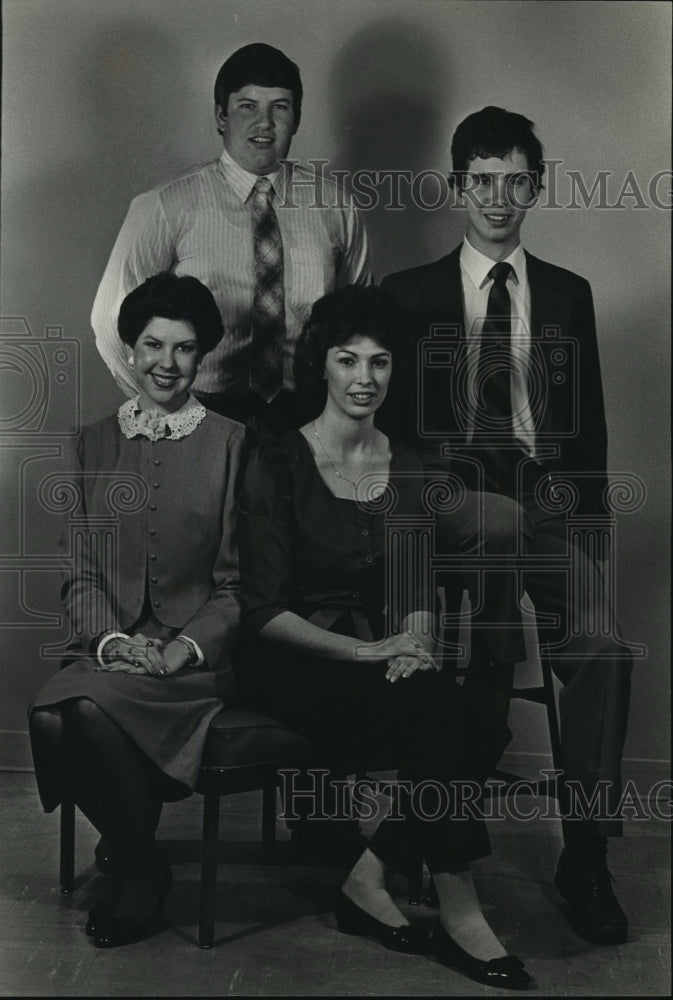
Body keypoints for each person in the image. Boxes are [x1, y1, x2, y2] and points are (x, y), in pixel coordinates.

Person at [381, 106, 632, 946]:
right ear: (457, 187)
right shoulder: (407, 295)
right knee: (484, 596)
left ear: (536, 186)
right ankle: (441, 838)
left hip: (543, 502)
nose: (497, 197)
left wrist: (587, 547)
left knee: (598, 645)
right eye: (480, 180)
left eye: (514, 180)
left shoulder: (567, 293)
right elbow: (392, 437)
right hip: (450, 504)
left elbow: (586, 435)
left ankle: (585, 853)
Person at [236, 284, 531, 990]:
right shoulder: (275, 459)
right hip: (291, 658)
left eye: (379, 363)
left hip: (377, 659)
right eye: (347, 361)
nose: (364, 379)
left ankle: (368, 878)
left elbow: (411, 588)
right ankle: (460, 906)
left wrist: (415, 641)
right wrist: (369, 651)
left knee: (470, 715)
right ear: (322, 367)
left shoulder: (413, 464)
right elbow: (261, 611)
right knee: (453, 718)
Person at [28, 273, 244, 948]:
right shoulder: (89, 444)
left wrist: (182, 648)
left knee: (83, 714)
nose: (166, 364)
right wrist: (112, 641)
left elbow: (237, 586)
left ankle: (136, 866)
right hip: (109, 649)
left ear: (203, 355)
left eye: (183, 349)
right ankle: (140, 851)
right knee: (52, 718)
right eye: (152, 345)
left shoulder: (233, 443)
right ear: (129, 349)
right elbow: (80, 572)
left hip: (192, 663)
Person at [91, 42, 371, 430]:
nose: (264, 124)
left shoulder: (336, 208)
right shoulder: (166, 206)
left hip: (308, 421)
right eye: (247, 106)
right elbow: (110, 321)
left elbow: (359, 325)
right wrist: (166, 408)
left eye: (280, 107)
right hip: (202, 416)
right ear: (222, 116)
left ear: (298, 118)